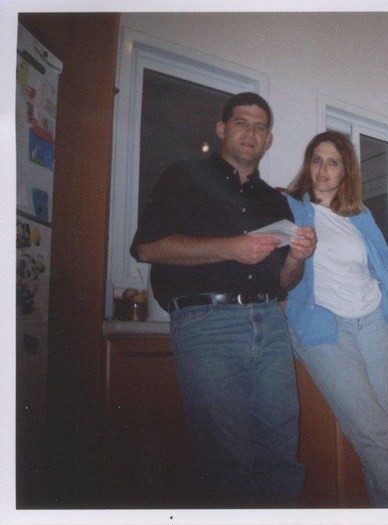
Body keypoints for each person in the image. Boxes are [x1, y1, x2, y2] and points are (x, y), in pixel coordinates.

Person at [129, 92, 316, 508]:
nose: (251, 132)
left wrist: (298, 258)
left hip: (270, 323)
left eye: (260, 127)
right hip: (206, 322)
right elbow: (147, 247)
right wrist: (231, 247)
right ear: (221, 129)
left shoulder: (275, 201)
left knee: (281, 448)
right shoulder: (183, 175)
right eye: (241, 122)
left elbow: (285, 281)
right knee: (225, 455)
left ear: (268, 139)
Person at [284, 130, 388, 508]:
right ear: (308, 165)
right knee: (373, 430)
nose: (323, 169)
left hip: (371, 320)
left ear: (345, 170)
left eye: (333, 162)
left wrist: (386, 302)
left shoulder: (360, 215)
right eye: (317, 160)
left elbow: (383, 264)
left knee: (387, 426)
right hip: (324, 326)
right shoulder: (291, 208)